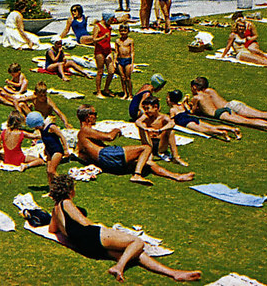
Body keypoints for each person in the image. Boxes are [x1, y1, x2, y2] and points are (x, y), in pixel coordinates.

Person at [48, 174, 201, 283]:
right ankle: (119, 267)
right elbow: (85, 222)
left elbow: (52, 229)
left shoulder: (56, 209)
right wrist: (105, 229)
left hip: (83, 246)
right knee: (137, 242)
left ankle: (174, 273)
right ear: (69, 190)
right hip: (91, 236)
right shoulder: (66, 203)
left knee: (136, 254)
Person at [75, 104, 193, 185]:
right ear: (88, 116)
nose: (96, 116)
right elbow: (109, 137)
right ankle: (137, 175)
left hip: (107, 161)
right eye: (95, 114)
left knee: (146, 162)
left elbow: (80, 154)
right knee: (146, 148)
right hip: (107, 155)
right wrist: (116, 129)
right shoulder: (85, 130)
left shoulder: (82, 136)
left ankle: (176, 176)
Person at [187, 76, 267, 133]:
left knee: (247, 120)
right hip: (230, 106)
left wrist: (187, 103)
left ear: (195, 87)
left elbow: (193, 112)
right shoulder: (209, 92)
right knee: (261, 114)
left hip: (224, 110)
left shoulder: (198, 96)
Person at [166, 90, 240, 141]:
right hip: (191, 118)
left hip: (186, 122)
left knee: (204, 130)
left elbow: (172, 121)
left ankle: (221, 132)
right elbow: (189, 110)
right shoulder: (181, 105)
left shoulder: (172, 110)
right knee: (212, 126)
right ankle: (233, 129)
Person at [135, 96, 187, 166]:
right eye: (145, 109)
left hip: (160, 145)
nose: (146, 111)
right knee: (142, 127)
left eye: (148, 108)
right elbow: (138, 122)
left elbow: (172, 123)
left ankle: (176, 157)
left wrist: (160, 130)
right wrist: (147, 129)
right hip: (149, 144)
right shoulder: (145, 116)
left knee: (170, 131)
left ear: (155, 107)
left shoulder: (163, 117)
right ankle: (149, 154)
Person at [26, 111, 70, 192]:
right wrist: (45, 150)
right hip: (49, 151)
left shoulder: (51, 127)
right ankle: (52, 190)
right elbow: (46, 141)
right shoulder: (41, 130)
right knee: (48, 172)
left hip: (57, 151)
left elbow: (61, 136)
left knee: (52, 170)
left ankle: (64, 186)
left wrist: (65, 149)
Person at [91, 11, 116, 99]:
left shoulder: (109, 27)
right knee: (100, 71)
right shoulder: (97, 26)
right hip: (99, 51)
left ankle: (106, 89)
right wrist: (103, 37)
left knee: (111, 71)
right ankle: (98, 91)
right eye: (111, 19)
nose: (112, 21)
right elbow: (94, 39)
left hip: (107, 50)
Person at [112, 23, 135, 100]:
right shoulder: (117, 41)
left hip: (127, 60)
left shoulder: (130, 41)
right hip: (120, 60)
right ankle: (125, 93)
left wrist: (132, 63)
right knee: (122, 77)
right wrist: (114, 60)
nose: (123, 33)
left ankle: (130, 94)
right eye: (121, 31)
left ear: (128, 31)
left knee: (128, 78)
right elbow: (116, 51)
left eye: (125, 31)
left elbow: (132, 52)